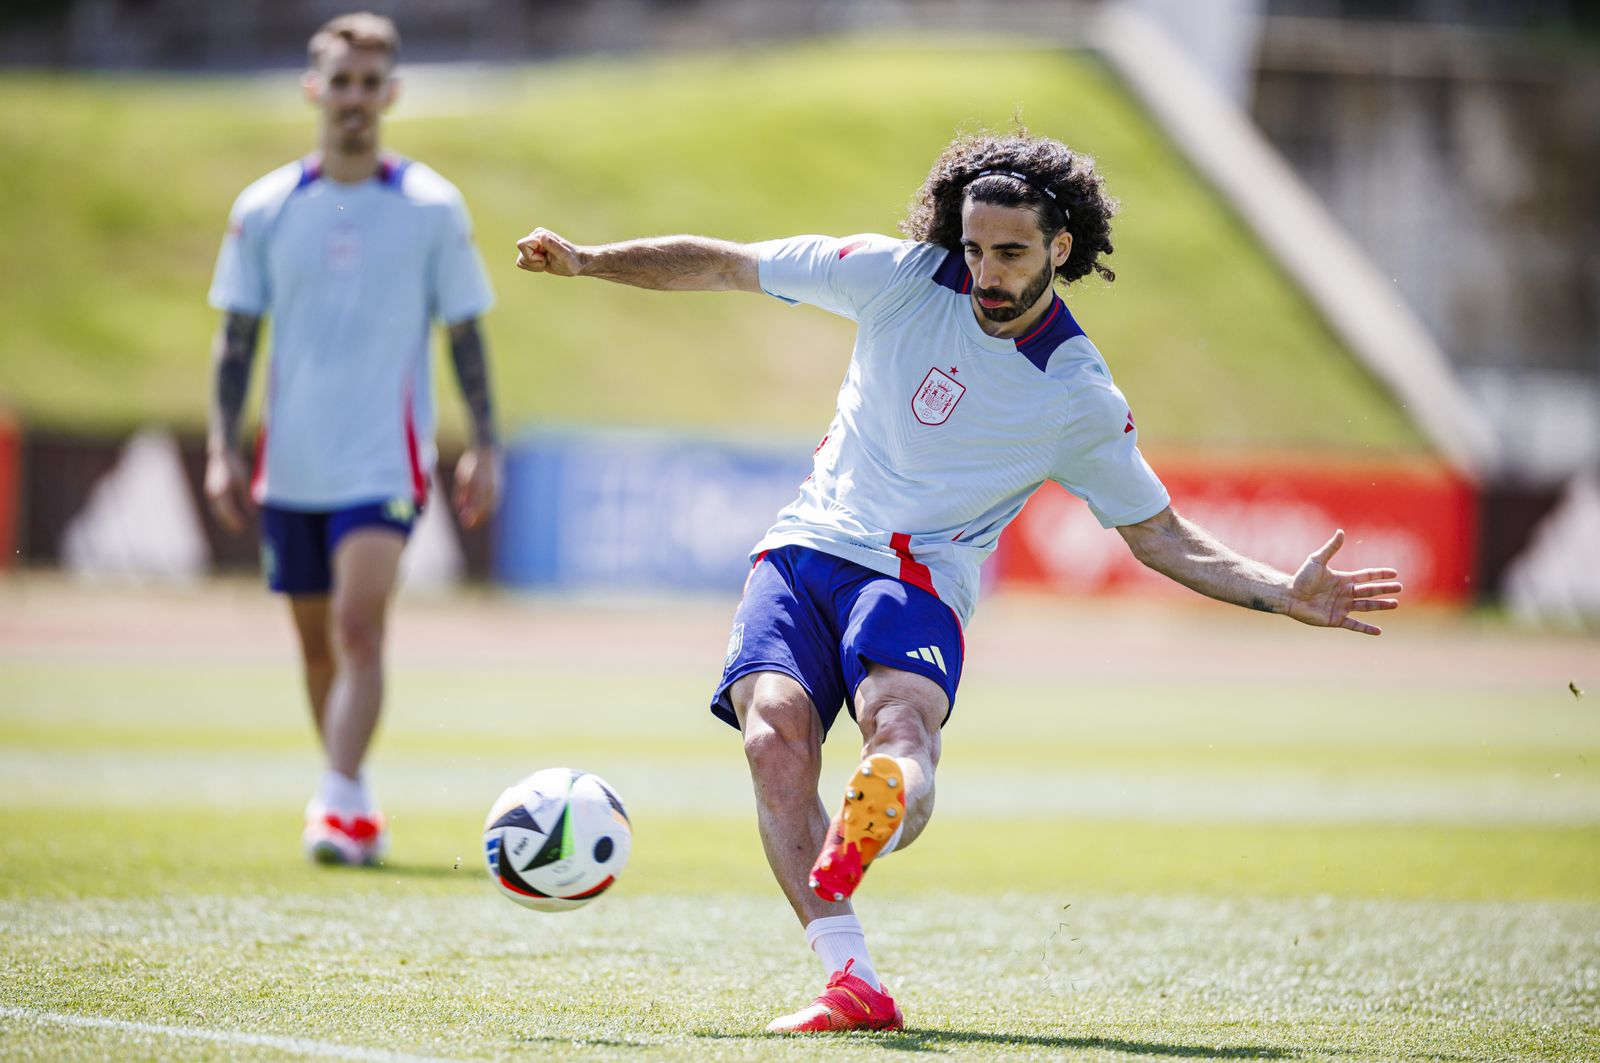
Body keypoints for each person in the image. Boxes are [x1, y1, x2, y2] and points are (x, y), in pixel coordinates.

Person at [513, 129, 1403, 1033]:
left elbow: (1161, 535)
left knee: (899, 728)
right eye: (974, 247)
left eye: (1011, 253)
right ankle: (849, 977)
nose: (987, 271)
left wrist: (1282, 594)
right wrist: (588, 262)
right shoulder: (894, 274)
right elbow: (727, 266)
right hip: (805, 545)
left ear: (1060, 249)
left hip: (917, 573)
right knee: (771, 738)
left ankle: (886, 797)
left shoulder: (1076, 392)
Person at [204, 12, 499, 867]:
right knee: (315, 645)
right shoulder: (262, 209)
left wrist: (485, 440)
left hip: (384, 461)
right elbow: (236, 338)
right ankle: (354, 792)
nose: (355, 98)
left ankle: (330, 799)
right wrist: (225, 447)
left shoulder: (431, 208)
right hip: (291, 462)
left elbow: (465, 332)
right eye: (341, 81)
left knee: (359, 627)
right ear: (314, 89)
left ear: (392, 94)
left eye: (372, 83)